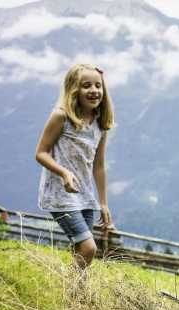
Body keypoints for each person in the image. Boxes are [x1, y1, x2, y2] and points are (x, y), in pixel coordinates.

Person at [36, 63, 115, 269]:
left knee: (80, 250)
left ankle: (76, 296)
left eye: (98, 86)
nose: (94, 91)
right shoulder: (61, 117)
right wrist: (64, 173)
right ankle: (75, 293)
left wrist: (103, 203)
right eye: (86, 86)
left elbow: (99, 166)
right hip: (61, 193)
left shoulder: (100, 125)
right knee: (89, 248)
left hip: (85, 195)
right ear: (73, 90)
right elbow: (41, 153)